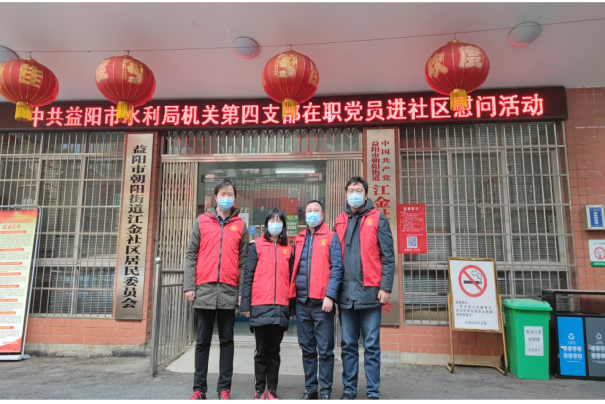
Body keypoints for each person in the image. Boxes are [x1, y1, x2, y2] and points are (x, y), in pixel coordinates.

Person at [184, 179, 249, 401]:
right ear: (215, 197)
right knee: (202, 342)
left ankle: (224, 389)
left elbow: (243, 262)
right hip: (204, 290)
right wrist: (189, 286)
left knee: (227, 342)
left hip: (229, 291)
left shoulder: (240, 225)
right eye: (223, 194)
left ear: (234, 197)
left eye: (230, 194)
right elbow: (191, 254)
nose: (226, 198)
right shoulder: (202, 220)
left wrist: (242, 292)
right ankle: (199, 389)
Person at [335, 176, 395, 401]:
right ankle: (349, 390)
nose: (354, 194)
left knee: (371, 346)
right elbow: (334, 257)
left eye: (359, 190)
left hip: (371, 293)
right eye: (351, 190)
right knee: (348, 346)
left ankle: (372, 392)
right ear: (345, 194)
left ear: (366, 194)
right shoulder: (340, 220)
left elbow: (388, 256)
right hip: (346, 295)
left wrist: (385, 287)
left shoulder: (378, 218)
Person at [290, 200, 343, 401]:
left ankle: (326, 390)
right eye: (309, 211)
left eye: (316, 211)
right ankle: (311, 389)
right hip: (302, 302)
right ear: (305, 216)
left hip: (323, 303)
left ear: (322, 215)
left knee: (325, 350)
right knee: (307, 349)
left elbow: (337, 268)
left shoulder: (331, 236)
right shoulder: (300, 238)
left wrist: (330, 296)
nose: (312, 214)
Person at [240, 208, 295, 401]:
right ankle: (259, 390)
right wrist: (245, 305)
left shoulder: (289, 249)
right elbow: (248, 277)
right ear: (266, 224)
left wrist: (291, 308)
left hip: (281, 306)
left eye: (279, 221)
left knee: (274, 351)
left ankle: (272, 390)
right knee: (261, 351)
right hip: (260, 305)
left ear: (283, 226)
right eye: (272, 221)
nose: (275, 224)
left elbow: (292, 281)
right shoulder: (255, 246)